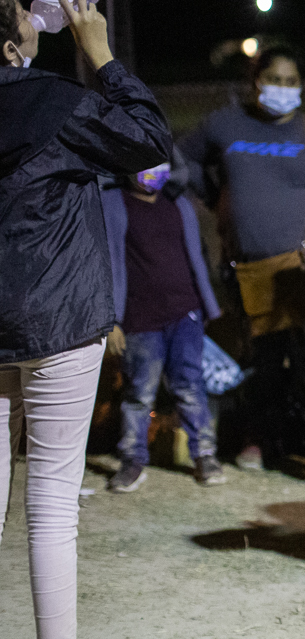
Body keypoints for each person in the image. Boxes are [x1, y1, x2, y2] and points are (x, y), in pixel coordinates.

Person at [1, 0, 163, 639]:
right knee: (51, 500)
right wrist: (98, 51)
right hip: (58, 318)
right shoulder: (51, 101)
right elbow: (147, 141)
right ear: (11, 45)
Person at [180, 44, 305, 471]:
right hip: (247, 266)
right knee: (259, 354)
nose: (282, 88)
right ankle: (259, 436)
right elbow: (181, 158)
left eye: (291, 81)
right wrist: (216, 198)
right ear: (254, 81)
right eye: (273, 79)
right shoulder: (225, 124)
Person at [101, 155, 226, 491]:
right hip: (139, 319)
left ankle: (206, 455)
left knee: (190, 386)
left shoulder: (178, 203)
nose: (152, 172)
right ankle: (133, 460)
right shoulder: (111, 203)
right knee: (139, 393)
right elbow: (106, 262)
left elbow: (195, 258)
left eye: (160, 163)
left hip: (185, 313)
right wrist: (112, 320)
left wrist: (207, 307)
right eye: (144, 162)